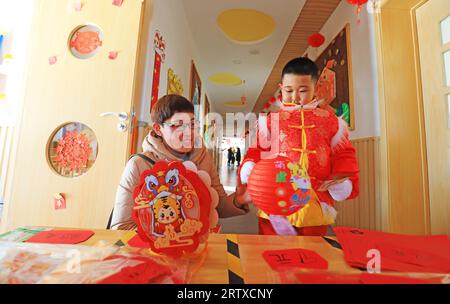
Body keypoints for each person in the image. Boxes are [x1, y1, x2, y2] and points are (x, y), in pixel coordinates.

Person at [239, 57, 359, 236]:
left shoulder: (330, 122)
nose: (294, 97)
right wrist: (250, 165)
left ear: (316, 89)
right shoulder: (271, 121)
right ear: (281, 88)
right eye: (288, 90)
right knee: (270, 252)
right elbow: (257, 151)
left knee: (312, 252)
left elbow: (344, 155)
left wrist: (344, 182)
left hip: (315, 200)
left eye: (302, 90)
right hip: (275, 197)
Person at [111, 95, 250, 230]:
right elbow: (121, 227)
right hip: (157, 251)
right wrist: (168, 234)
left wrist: (238, 199)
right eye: (177, 125)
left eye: (192, 124)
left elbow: (217, 205)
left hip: (198, 248)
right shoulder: (139, 165)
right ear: (158, 129)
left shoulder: (203, 158)